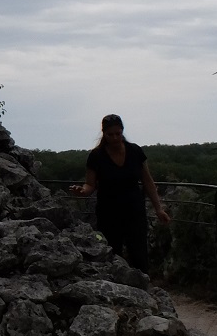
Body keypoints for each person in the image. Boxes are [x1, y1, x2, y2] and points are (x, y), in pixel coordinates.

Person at [70, 114, 170, 270]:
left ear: (122, 131)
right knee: (112, 253)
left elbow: (148, 181)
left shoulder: (135, 151)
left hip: (134, 211)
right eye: (111, 135)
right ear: (104, 134)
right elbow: (90, 184)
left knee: (139, 254)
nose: (115, 138)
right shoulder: (96, 156)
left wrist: (158, 209)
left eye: (118, 133)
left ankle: (142, 289)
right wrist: (82, 191)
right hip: (109, 212)